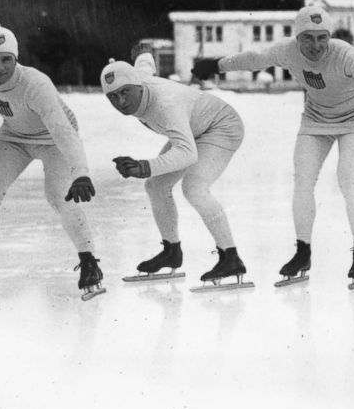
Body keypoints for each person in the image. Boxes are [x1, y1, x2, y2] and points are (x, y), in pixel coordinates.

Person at [191, 5, 354, 289]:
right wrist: (217, 65)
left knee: (349, 179)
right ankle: (303, 252)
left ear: (329, 36)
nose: (316, 45)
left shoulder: (346, 55)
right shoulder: (287, 51)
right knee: (302, 181)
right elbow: (255, 59)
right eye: (308, 38)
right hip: (316, 119)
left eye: (322, 37)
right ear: (297, 38)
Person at [0, 22, 104, 300]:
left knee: (59, 197)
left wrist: (81, 173)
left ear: (16, 59)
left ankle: (89, 263)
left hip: (53, 139)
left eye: (6, 60)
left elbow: (63, 132)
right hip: (13, 136)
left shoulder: (36, 85)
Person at [101, 44, 252, 290]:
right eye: (113, 97)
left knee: (194, 188)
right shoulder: (139, 79)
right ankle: (171, 252)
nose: (121, 101)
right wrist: (142, 52)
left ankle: (231, 257)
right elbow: (145, 65)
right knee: (156, 186)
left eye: (125, 92)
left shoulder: (165, 104)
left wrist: (144, 166)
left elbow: (187, 153)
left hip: (221, 126)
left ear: (137, 86)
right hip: (194, 129)